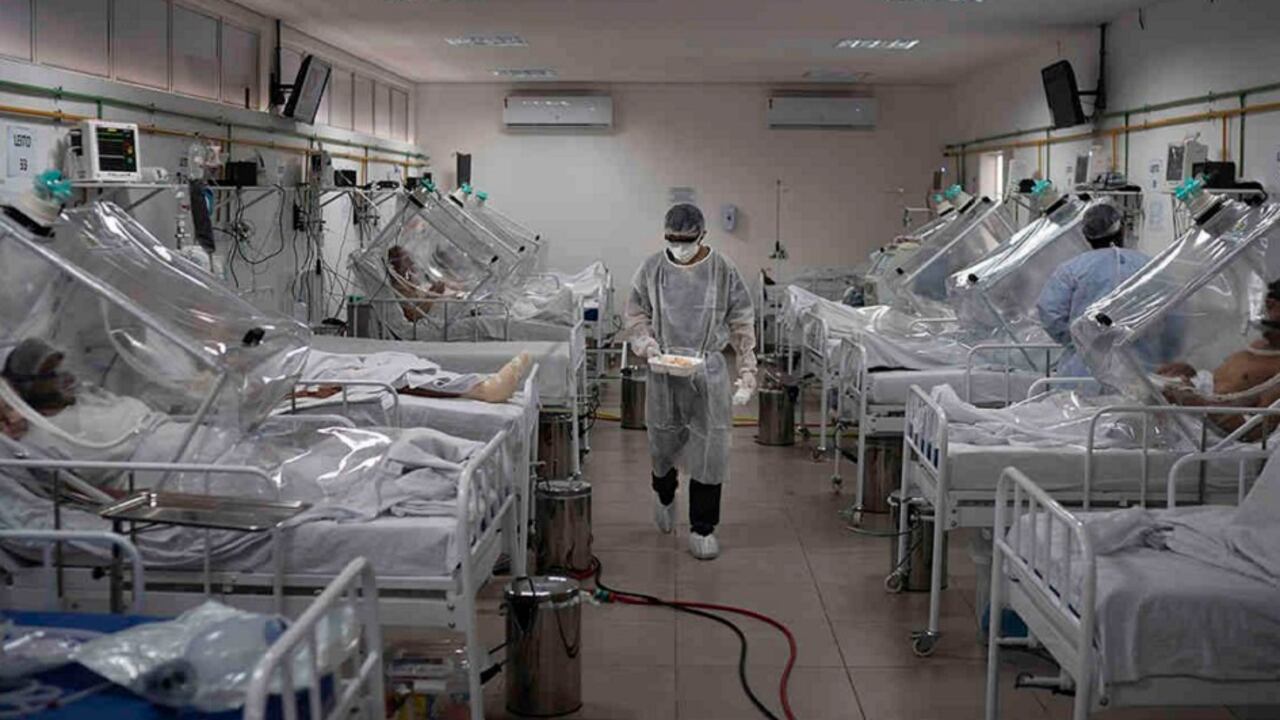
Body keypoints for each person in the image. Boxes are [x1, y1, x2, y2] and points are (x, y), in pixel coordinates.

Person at [625, 204, 757, 560]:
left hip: (708, 370)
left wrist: (747, 371)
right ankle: (664, 493)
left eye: (686, 240)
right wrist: (647, 344)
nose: (679, 246)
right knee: (662, 444)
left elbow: (743, 321)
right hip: (663, 367)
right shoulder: (652, 268)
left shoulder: (722, 270)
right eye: (673, 239)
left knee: (710, 450)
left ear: (702, 235)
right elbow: (636, 314)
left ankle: (703, 528)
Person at [1036, 204, 1149, 378]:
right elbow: (1173, 317)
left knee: (1081, 402)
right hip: (1142, 367)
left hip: (1084, 370)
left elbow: (1051, 314)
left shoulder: (1072, 270)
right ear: (1122, 230)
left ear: (1086, 236)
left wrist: (1081, 340)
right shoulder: (1148, 266)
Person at [1158, 280, 1280, 436]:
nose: (1265, 306)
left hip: (1212, 437)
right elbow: (1225, 385)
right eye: (1268, 299)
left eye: (1275, 302)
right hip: (1197, 413)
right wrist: (1192, 375)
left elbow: (1256, 433)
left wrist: (1196, 403)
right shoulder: (1258, 346)